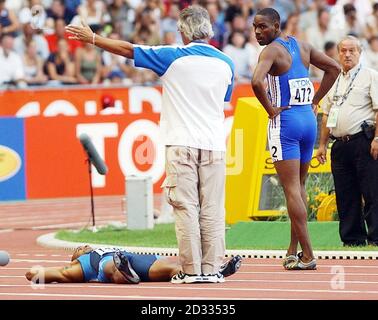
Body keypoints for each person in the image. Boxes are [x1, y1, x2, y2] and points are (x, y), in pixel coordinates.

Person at [66, 5, 234, 284]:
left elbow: (127, 49)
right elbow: (223, 98)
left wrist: (93, 38)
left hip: (181, 142)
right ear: (209, 29)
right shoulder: (226, 62)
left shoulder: (173, 56)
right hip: (215, 144)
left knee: (186, 208)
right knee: (213, 210)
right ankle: (213, 269)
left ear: (183, 31)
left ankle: (192, 271)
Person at [251, 8, 340, 270]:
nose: (257, 32)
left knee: (290, 189)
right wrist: (315, 100)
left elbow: (256, 82)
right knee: (298, 188)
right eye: (254, 26)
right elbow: (334, 68)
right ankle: (294, 250)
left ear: (276, 26)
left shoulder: (270, 52)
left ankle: (309, 254)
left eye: (263, 27)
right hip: (307, 122)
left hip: (285, 123)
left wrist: (270, 110)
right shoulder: (302, 46)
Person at [316, 36, 378, 247]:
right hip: (340, 144)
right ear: (338, 53)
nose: (347, 54)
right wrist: (322, 144)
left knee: (372, 191)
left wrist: (377, 138)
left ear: (360, 53)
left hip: (364, 139)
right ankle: (353, 239)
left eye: (352, 50)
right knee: (345, 193)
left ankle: (376, 237)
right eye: (343, 50)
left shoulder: (371, 76)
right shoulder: (334, 79)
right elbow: (326, 114)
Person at [25, 245, 242, 284]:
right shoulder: (80, 265)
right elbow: (38, 274)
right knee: (111, 266)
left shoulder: (103, 246)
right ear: (75, 257)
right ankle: (124, 272)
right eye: (79, 247)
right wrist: (35, 272)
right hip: (106, 264)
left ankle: (212, 270)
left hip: (132, 258)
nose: (84, 245)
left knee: (171, 269)